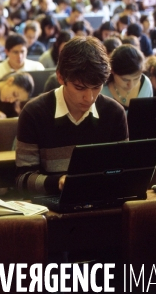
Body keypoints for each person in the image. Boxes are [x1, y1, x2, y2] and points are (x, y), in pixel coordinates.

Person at [15, 36, 128, 197]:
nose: (89, 98)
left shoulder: (114, 112)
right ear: (61, 77)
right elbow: (22, 180)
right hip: (52, 209)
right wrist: (58, 182)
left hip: (102, 203)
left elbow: (124, 171)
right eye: (79, 87)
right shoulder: (34, 113)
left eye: (96, 87)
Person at [100, 44, 153, 109]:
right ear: (112, 71)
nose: (131, 85)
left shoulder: (145, 84)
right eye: (125, 80)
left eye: (136, 78)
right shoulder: (101, 90)